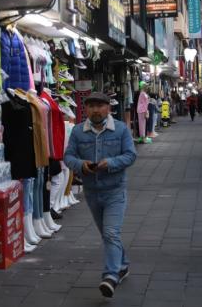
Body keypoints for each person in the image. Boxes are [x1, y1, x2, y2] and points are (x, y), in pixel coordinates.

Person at [64, 92, 137, 298]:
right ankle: (122, 265)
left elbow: (131, 155)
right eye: (91, 106)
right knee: (107, 234)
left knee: (111, 233)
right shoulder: (78, 132)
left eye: (100, 106)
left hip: (115, 190)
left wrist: (111, 163)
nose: (95, 110)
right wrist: (81, 165)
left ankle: (110, 276)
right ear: (85, 109)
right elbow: (68, 156)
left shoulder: (121, 129)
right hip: (91, 192)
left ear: (108, 108)